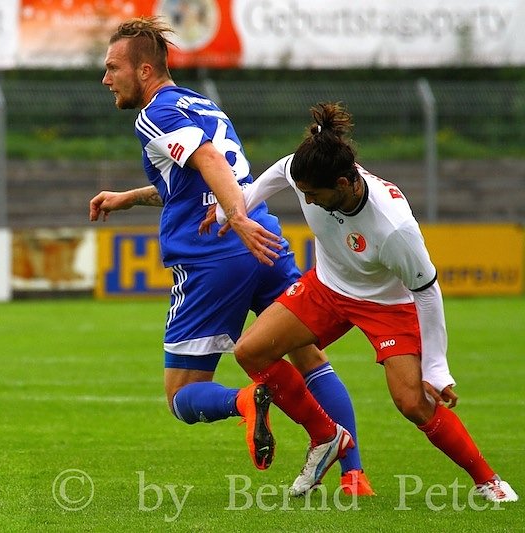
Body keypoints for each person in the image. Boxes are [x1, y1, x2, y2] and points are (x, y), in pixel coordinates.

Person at [89, 16, 373, 495]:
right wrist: (132, 197)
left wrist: (234, 218)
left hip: (216, 250)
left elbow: (209, 163)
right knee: (309, 357)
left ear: (143, 72)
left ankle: (246, 400)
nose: (105, 78)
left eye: (113, 67)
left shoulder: (152, 114)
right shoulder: (201, 103)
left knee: (181, 395)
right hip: (264, 237)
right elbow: (195, 179)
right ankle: (354, 475)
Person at [202, 101, 519, 502]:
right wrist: (237, 208)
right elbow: (281, 173)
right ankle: (326, 437)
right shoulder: (308, 173)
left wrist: (437, 367)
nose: (309, 202)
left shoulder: (393, 228)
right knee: (250, 352)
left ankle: (488, 481)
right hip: (327, 288)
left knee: (412, 402)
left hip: (388, 305)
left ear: (345, 183)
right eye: (304, 194)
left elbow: (427, 292)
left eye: (315, 195)